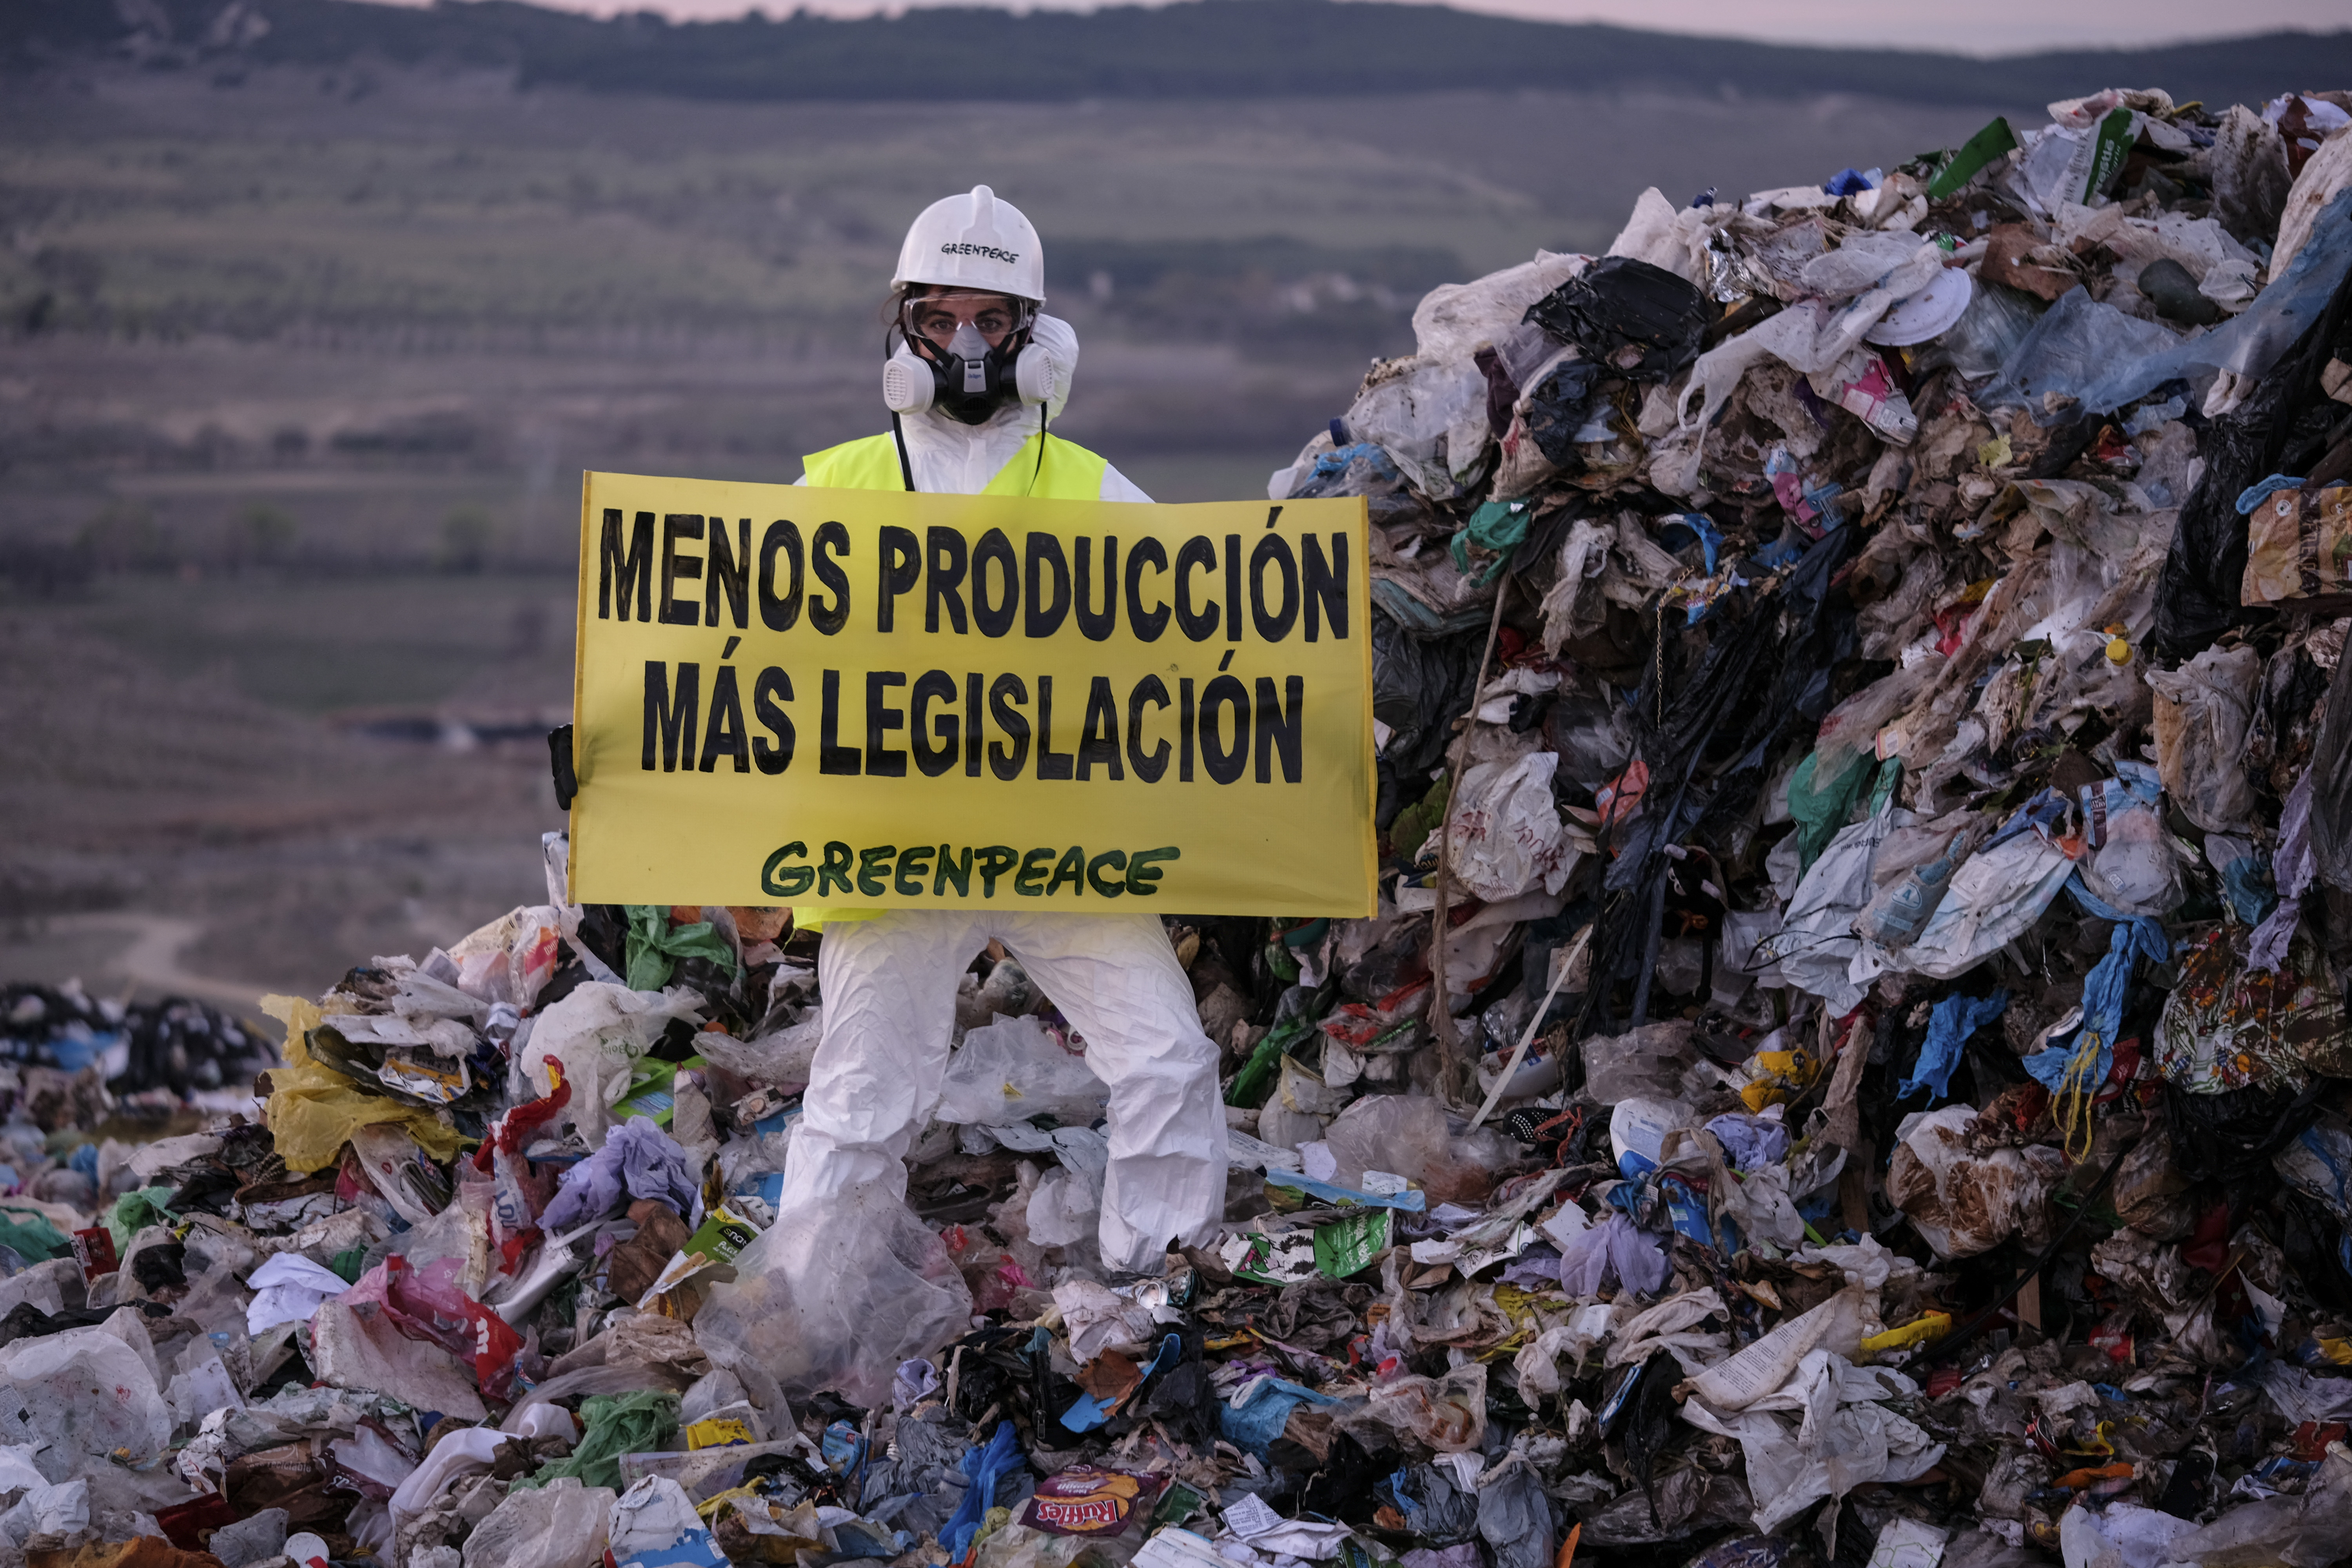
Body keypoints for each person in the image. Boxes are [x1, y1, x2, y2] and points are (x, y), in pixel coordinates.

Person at [775, 185, 1227, 1277]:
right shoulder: (833, 488)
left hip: (1055, 839)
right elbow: (740, 656)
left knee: (1168, 1059)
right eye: (939, 320)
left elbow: (1211, 633)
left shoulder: (1096, 492)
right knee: (860, 1099)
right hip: (896, 847)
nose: (966, 345)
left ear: (1036, 337)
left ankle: (1152, 1295)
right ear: (905, 332)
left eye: (991, 320)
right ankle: (811, 1316)